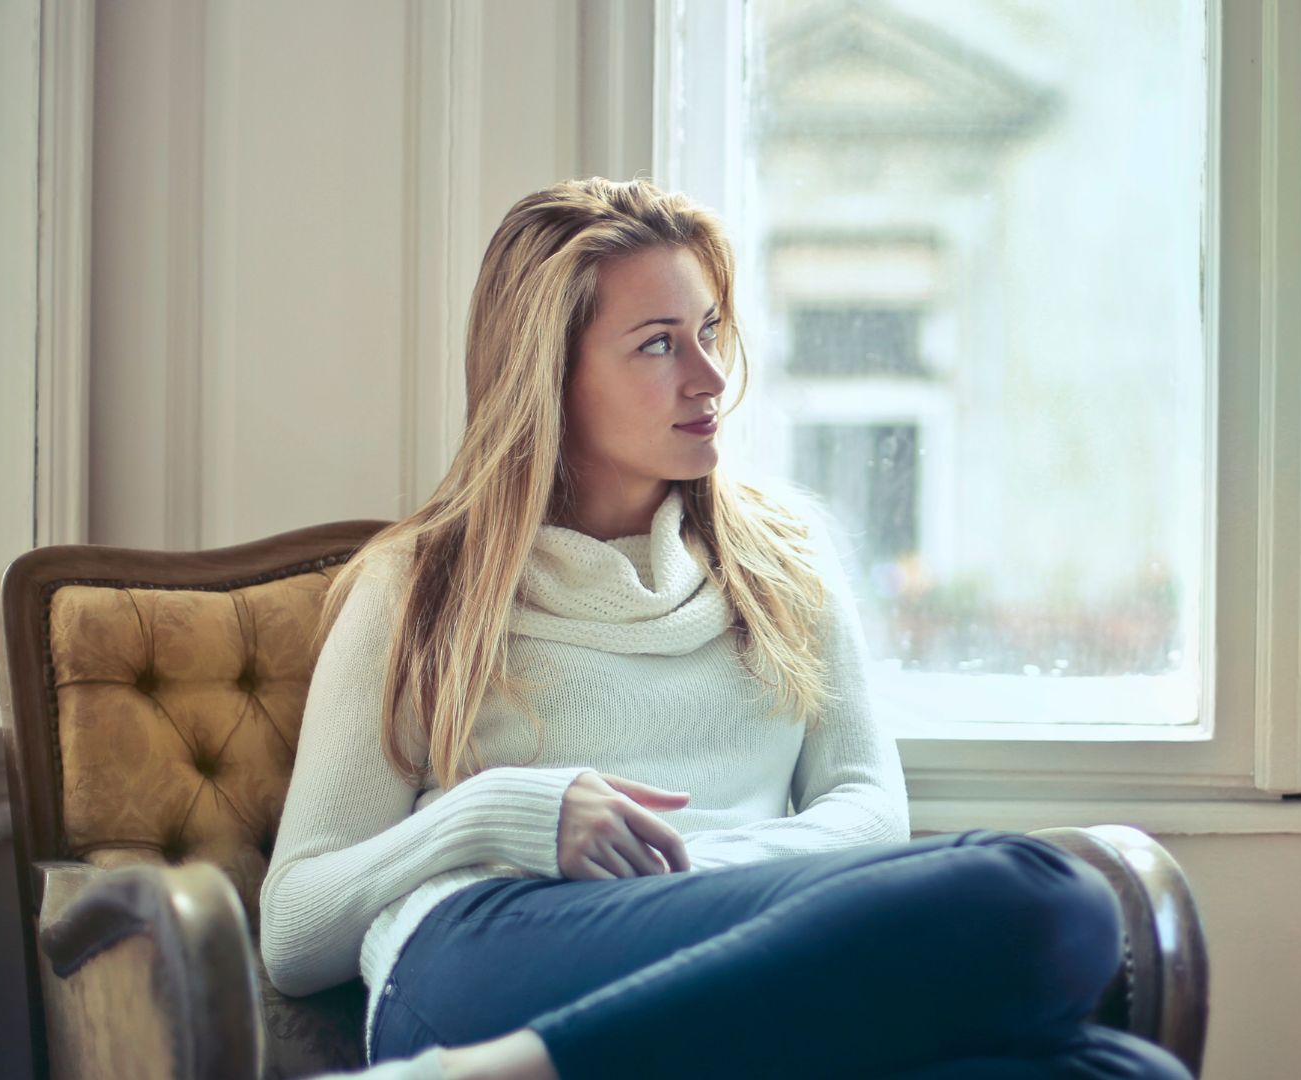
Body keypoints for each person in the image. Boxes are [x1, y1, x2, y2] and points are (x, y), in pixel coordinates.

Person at [262, 176, 1192, 1080]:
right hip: (485, 950)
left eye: (708, 331)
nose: (709, 377)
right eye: (659, 345)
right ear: (549, 377)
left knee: (1111, 1051)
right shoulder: (420, 586)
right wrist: (507, 810)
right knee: (1041, 889)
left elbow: (870, 810)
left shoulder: (783, 555)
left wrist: (687, 874)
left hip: (733, 935)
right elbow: (296, 929)